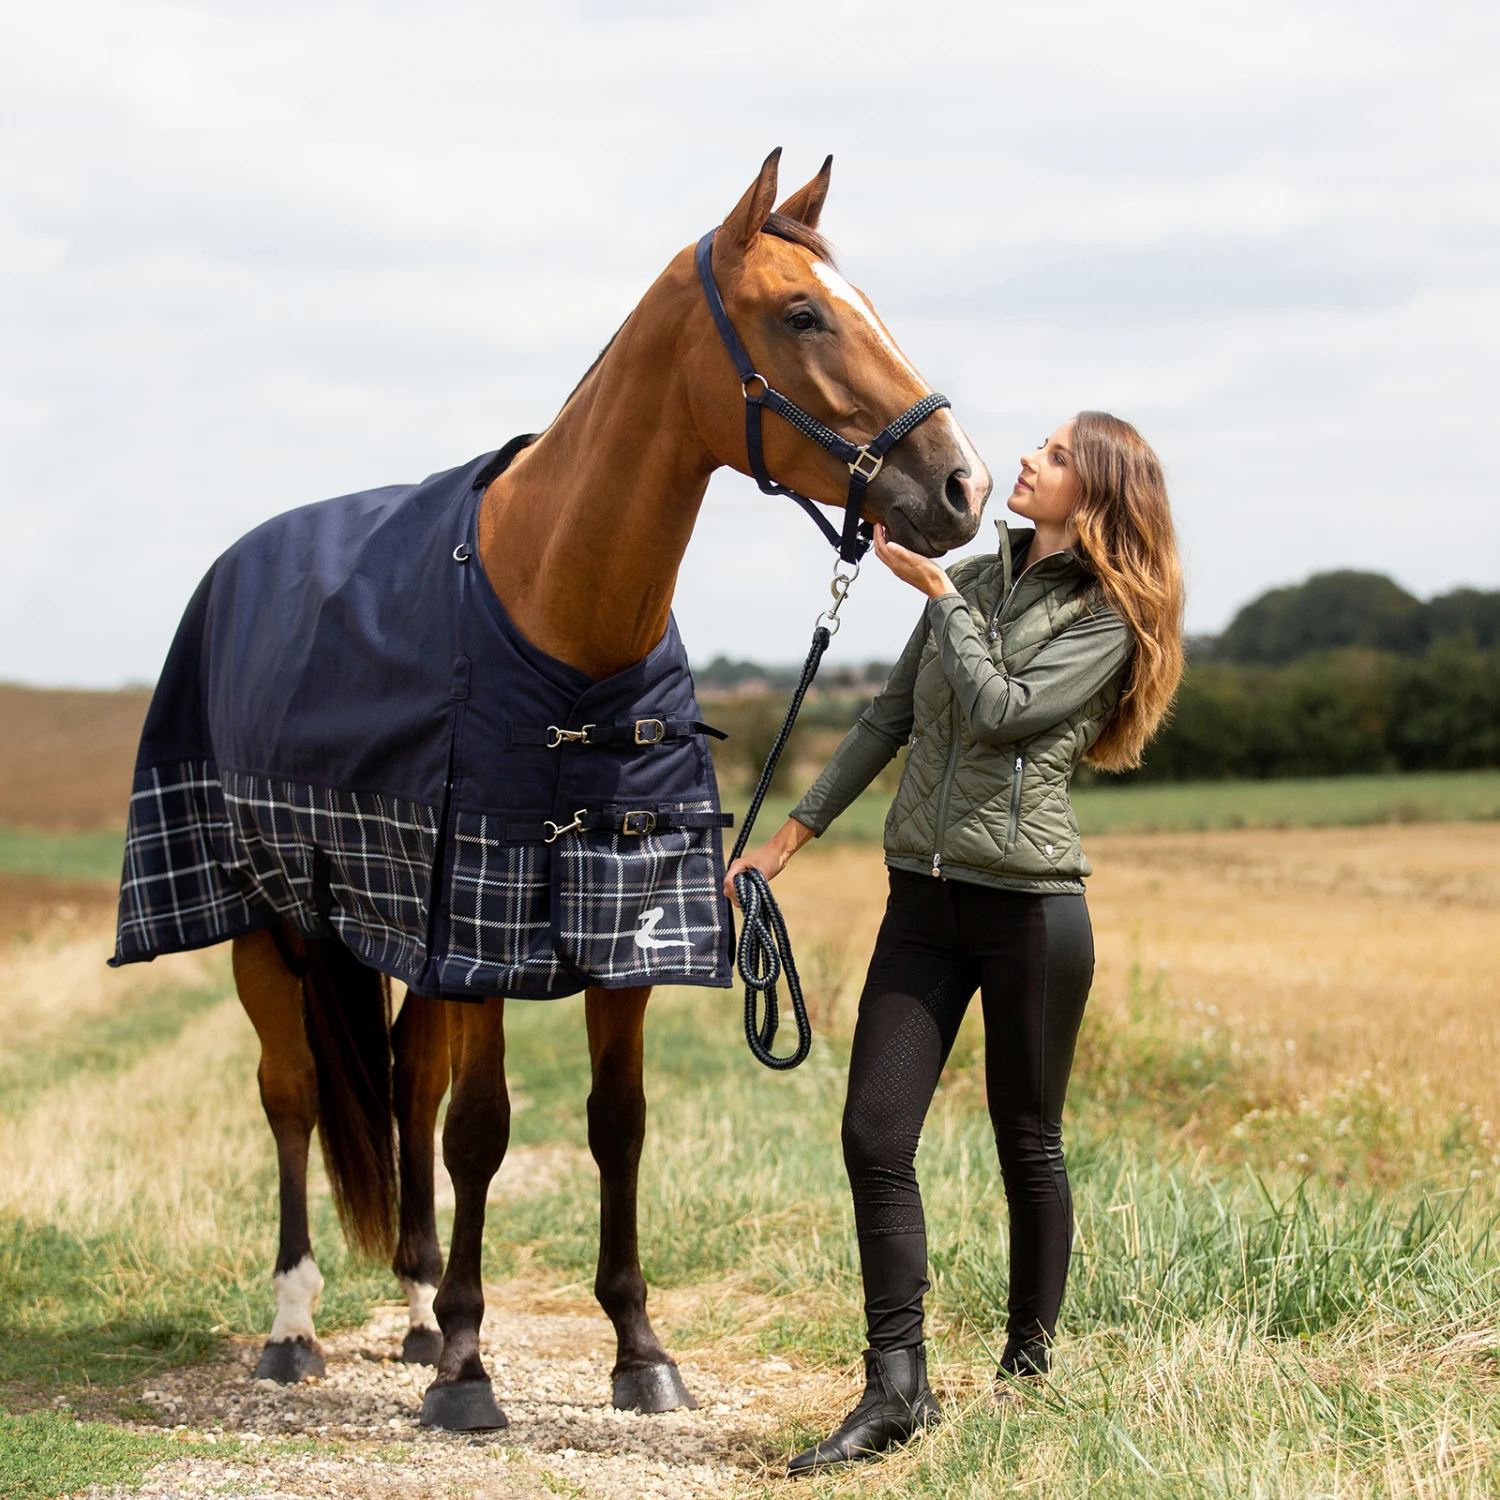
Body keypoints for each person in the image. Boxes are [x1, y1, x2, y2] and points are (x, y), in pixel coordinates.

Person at [726, 411, 1185, 1475]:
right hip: (922, 902)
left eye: (1058, 455)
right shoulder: (975, 582)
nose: (1028, 457)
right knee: (873, 1134)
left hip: (1029, 909)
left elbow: (1001, 710)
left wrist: (938, 600)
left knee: (1027, 1140)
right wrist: (789, 838)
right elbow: (892, 718)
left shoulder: (1110, 617)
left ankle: (1028, 1375)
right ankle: (898, 1387)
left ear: (1099, 493)